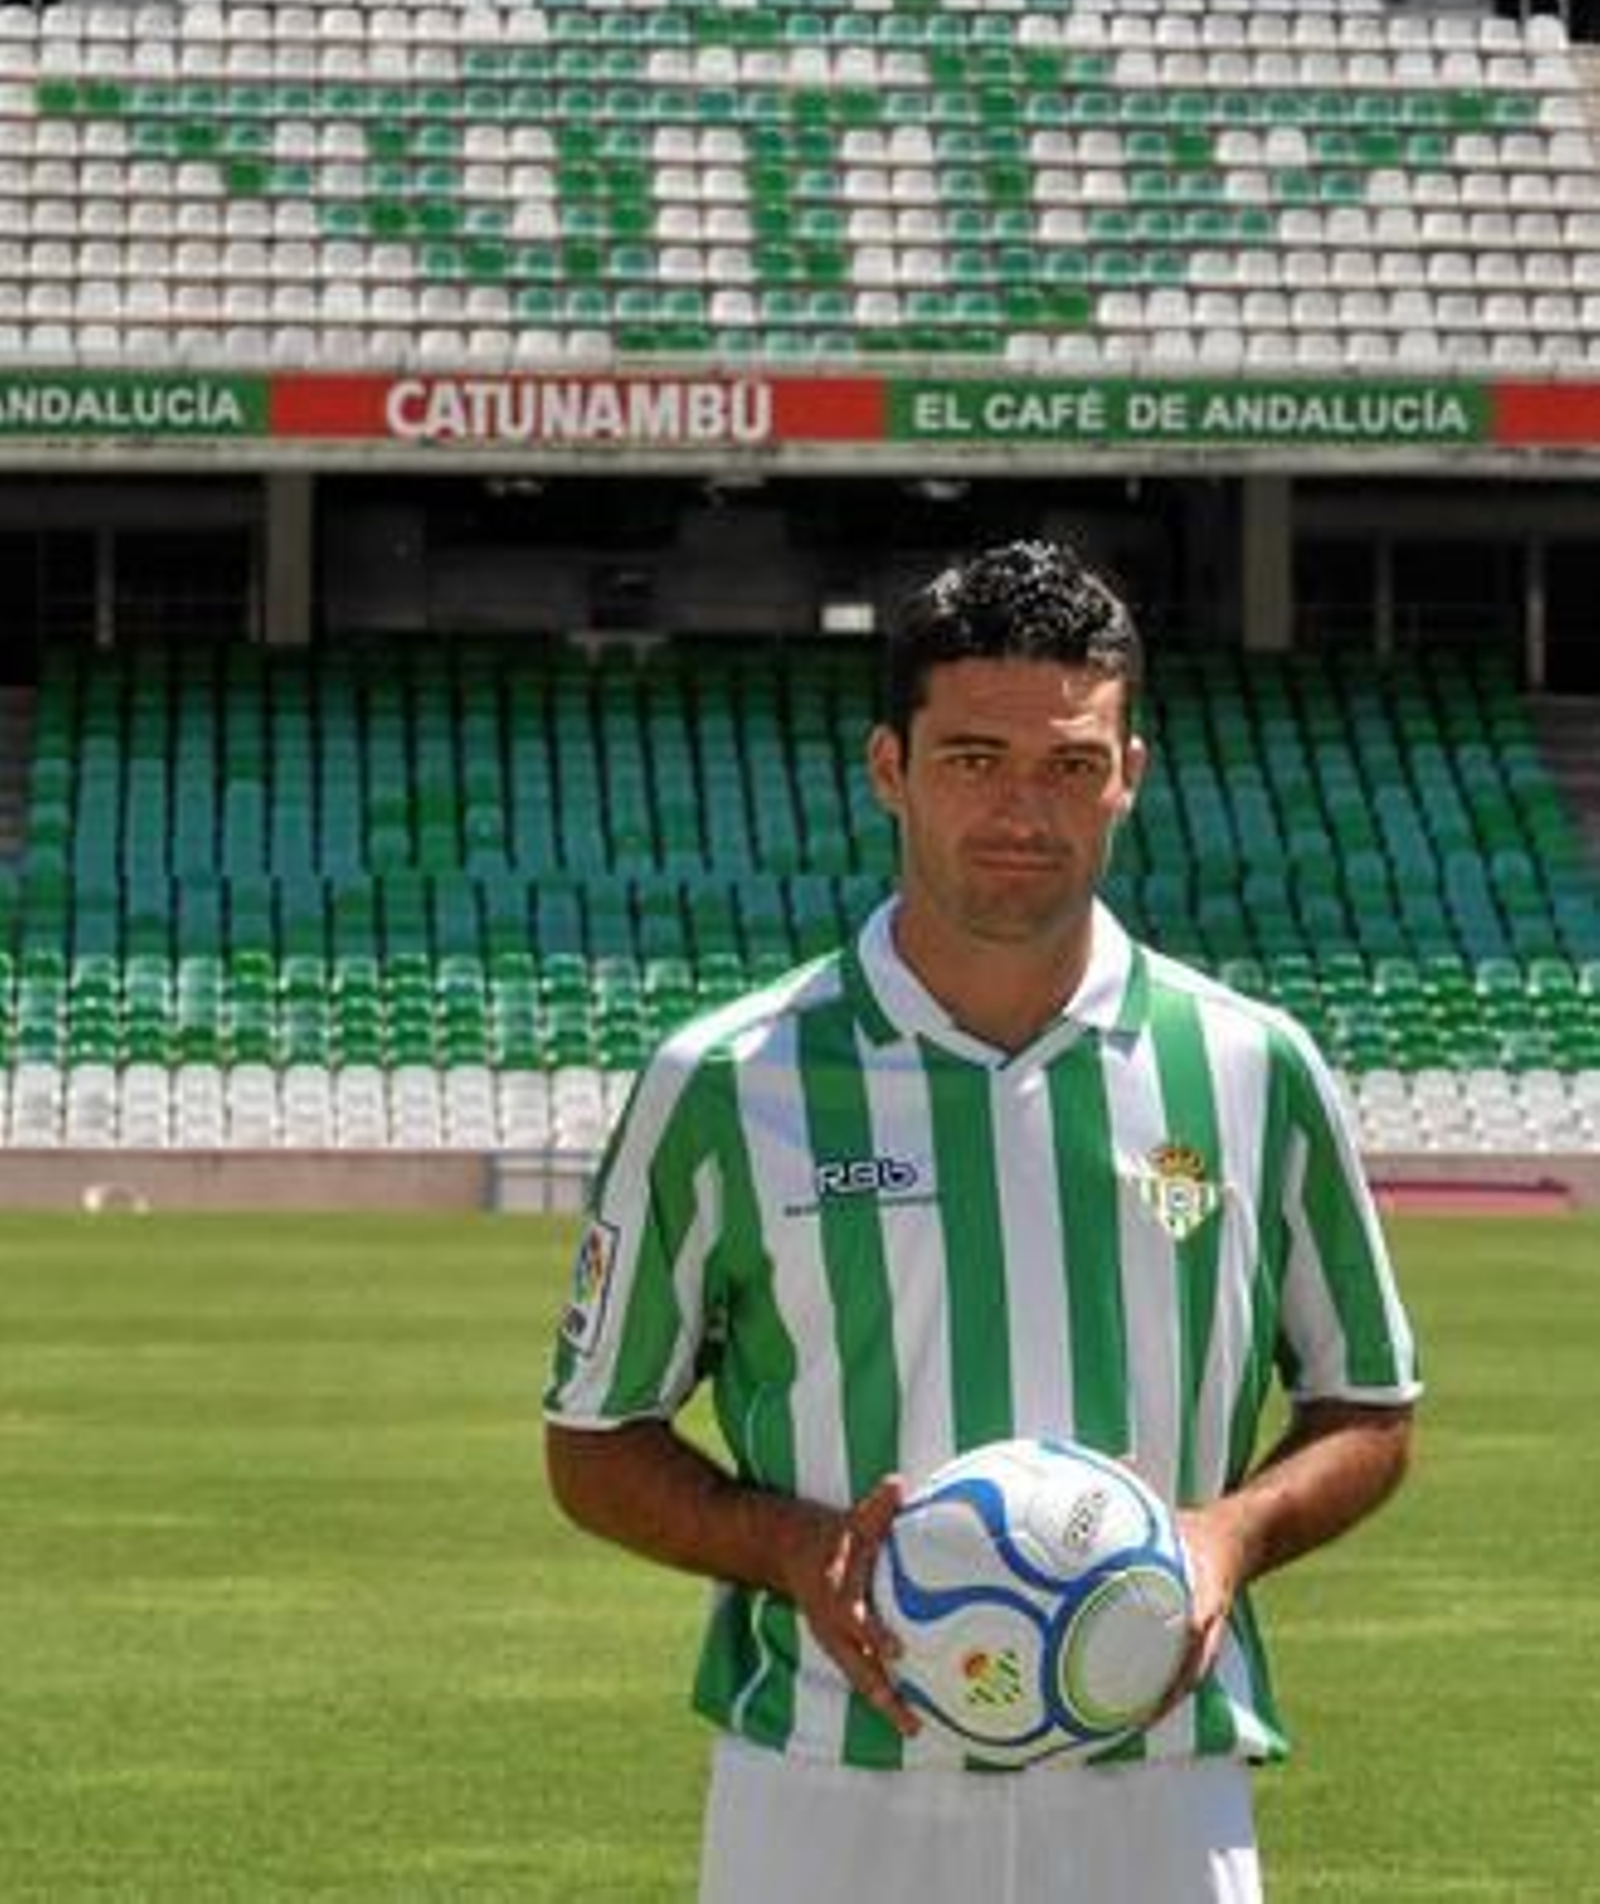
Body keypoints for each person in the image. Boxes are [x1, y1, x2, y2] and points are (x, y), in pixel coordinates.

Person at [543, 537, 1420, 1904]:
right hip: (829, 1798)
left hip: (1157, 1800)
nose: (1024, 805)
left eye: (1072, 762)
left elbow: (1370, 1405)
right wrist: (796, 1546)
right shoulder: (726, 1080)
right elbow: (594, 1437)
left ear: (1129, 772)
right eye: (972, 758)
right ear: (889, 766)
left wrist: (1226, 1535)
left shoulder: (1251, 1065)